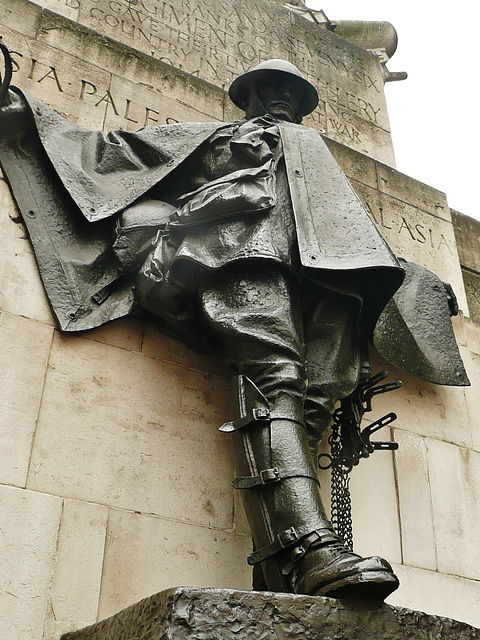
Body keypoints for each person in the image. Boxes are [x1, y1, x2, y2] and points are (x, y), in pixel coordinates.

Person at [0, 59, 468, 600]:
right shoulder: (224, 137)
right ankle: (309, 548)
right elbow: (119, 155)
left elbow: (348, 229)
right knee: (274, 378)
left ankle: (275, 568)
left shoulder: (314, 156)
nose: (282, 100)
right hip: (241, 256)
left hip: (333, 282)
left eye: (291, 92)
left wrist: (412, 275)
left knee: (318, 396)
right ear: (248, 96)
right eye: (271, 90)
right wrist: (26, 113)